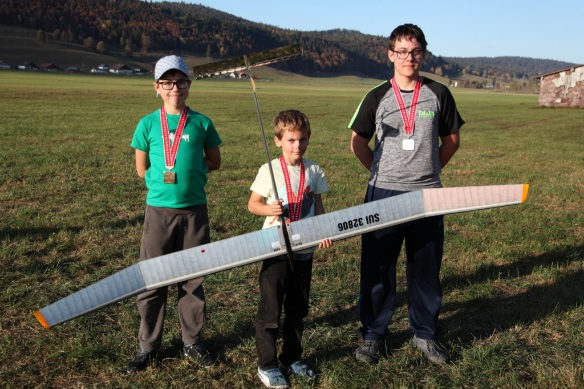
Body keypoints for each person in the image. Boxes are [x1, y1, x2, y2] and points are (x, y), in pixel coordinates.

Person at [348, 23, 464, 365]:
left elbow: (452, 140)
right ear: (390, 55)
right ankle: (373, 334)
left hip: (428, 194)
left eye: (414, 52)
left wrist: (430, 171)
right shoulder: (376, 96)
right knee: (377, 266)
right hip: (383, 192)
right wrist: (379, 172)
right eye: (401, 51)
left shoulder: (439, 93)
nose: (408, 58)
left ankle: (425, 334)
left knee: (425, 268)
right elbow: (357, 141)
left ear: (423, 54)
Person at [127, 55, 222, 373]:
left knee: (192, 282)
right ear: (156, 87)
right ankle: (147, 347)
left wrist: (193, 169)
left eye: (180, 81)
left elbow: (215, 161)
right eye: (167, 82)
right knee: (152, 281)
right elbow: (142, 170)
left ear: (189, 85)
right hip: (159, 213)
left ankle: (192, 342)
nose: (174, 88)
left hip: (194, 212)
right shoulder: (147, 124)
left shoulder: (202, 123)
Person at [248, 109, 333, 388]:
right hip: (275, 249)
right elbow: (253, 204)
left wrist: (323, 230)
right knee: (271, 309)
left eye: (303, 139)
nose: (298, 146)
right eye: (292, 140)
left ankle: (291, 357)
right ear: (278, 141)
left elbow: (318, 207)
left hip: (304, 249)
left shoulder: (314, 170)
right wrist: (267, 208)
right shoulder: (268, 170)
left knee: (298, 308)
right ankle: (268, 364)